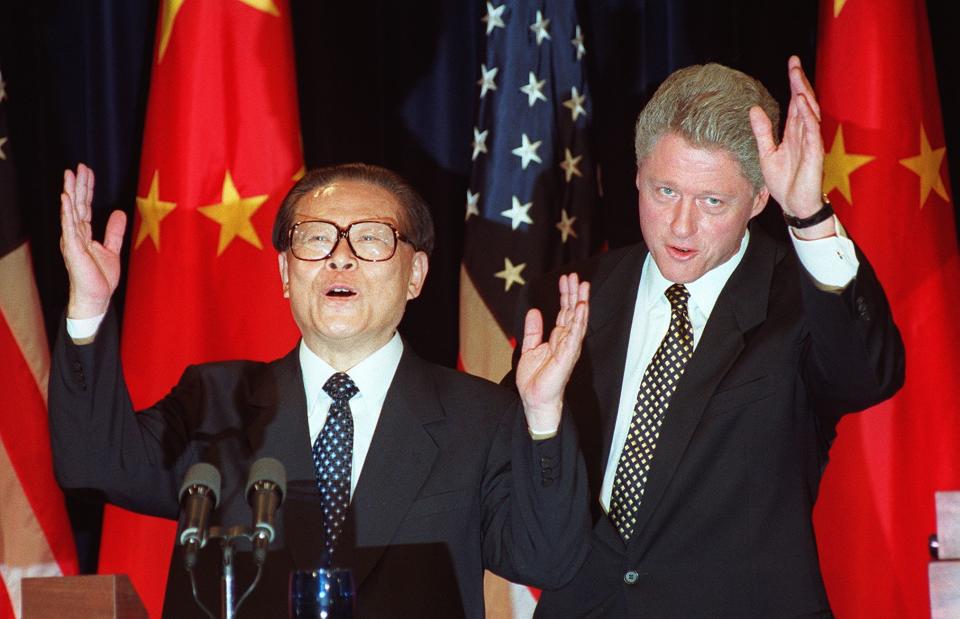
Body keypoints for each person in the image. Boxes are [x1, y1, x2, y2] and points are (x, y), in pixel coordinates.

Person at [49, 162, 592, 617]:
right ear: (286, 272)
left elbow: (547, 560)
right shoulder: (217, 402)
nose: (340, 255)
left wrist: (542, 415)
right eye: (315, 238)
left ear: (416, 275)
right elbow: (93, 461)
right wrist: (88, 311)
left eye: (372, 238)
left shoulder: (480, 416)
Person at [512, 57, 905, 617]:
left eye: (712, 202)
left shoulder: (800, 302)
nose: (680, 226)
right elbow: (522, 481)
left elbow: (869, 376)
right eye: (664, 190)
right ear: (637, 177)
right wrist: (539, 416)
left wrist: (809, 215)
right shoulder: (573, 293)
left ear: (759, 199)